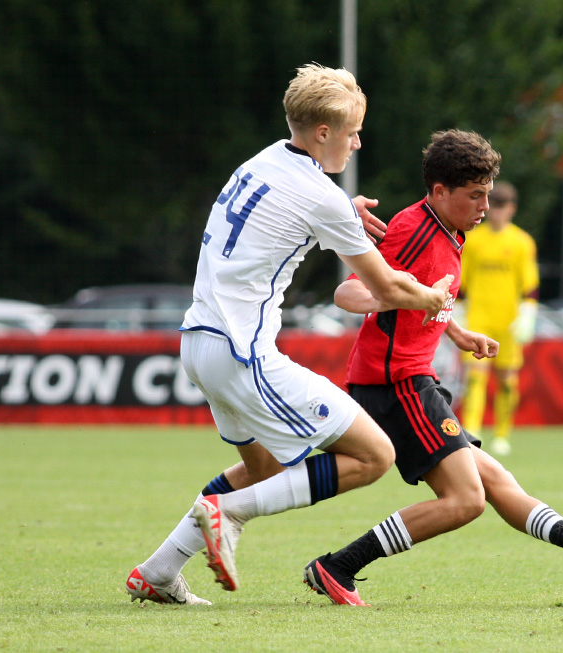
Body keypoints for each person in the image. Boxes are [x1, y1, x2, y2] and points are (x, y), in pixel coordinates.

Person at [125, 63, 453, 605]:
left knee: (264, 469)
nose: (357, 141)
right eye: (351, 132)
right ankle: (225, 515)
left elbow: (277, 216)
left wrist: (341, 215)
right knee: (374, 455)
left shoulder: (260, 163)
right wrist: (433, 296)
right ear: (323, 134)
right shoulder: (319, 196)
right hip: (242, 353)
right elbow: (388, 289)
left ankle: (158, 572)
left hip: (199, 344)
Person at [301, 129, 563, 607]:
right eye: (475, 195)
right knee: (466, 501)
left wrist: (454, 329)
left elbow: (421, 295)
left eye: (488, 194)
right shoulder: (415, 229)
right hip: (395, 384)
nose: (485, 206)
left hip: (412, 379)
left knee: (496, 482)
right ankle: (339, 565)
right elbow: (349, 292)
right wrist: (385, 296)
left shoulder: (451, 229)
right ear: (440, 191)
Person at [457, 180, 539, 456]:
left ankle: (503, 434)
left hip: (508, 321)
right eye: (495, 207)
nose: (497, 213)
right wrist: (457, 312)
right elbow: (461, 281)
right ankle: (472, 432)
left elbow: (529, 285)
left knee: (506, 381)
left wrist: (528, 313)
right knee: (475, 378)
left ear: (512, 209)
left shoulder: (521, 242)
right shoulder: (474, 241)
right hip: (478, 317)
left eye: (503, 208)